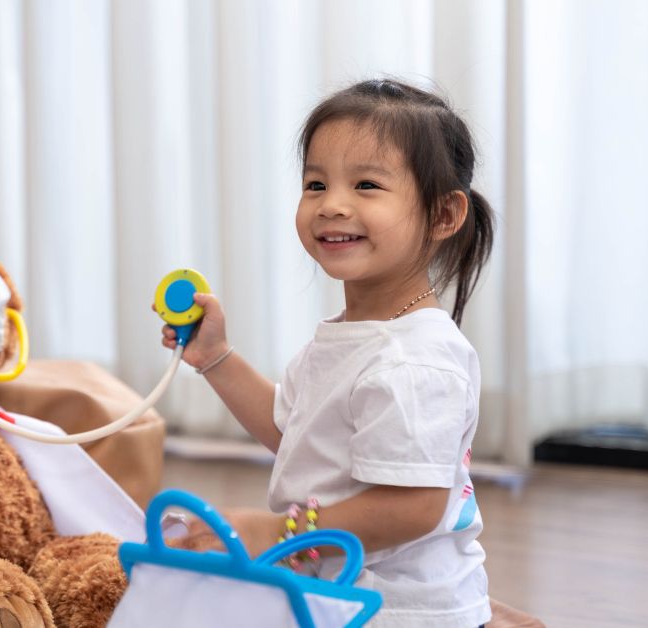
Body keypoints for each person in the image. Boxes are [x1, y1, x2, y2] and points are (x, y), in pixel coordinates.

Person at [162, 78, 495, 627]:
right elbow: (295, 431)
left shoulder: (415, 358)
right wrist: (216, 356)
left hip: (402, 611)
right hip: (331, 592)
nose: (332, 205)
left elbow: (414, 505)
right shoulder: (352, 333)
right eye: (316, 184)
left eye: (366, 185)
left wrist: (279, 531)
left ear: (443, 215)